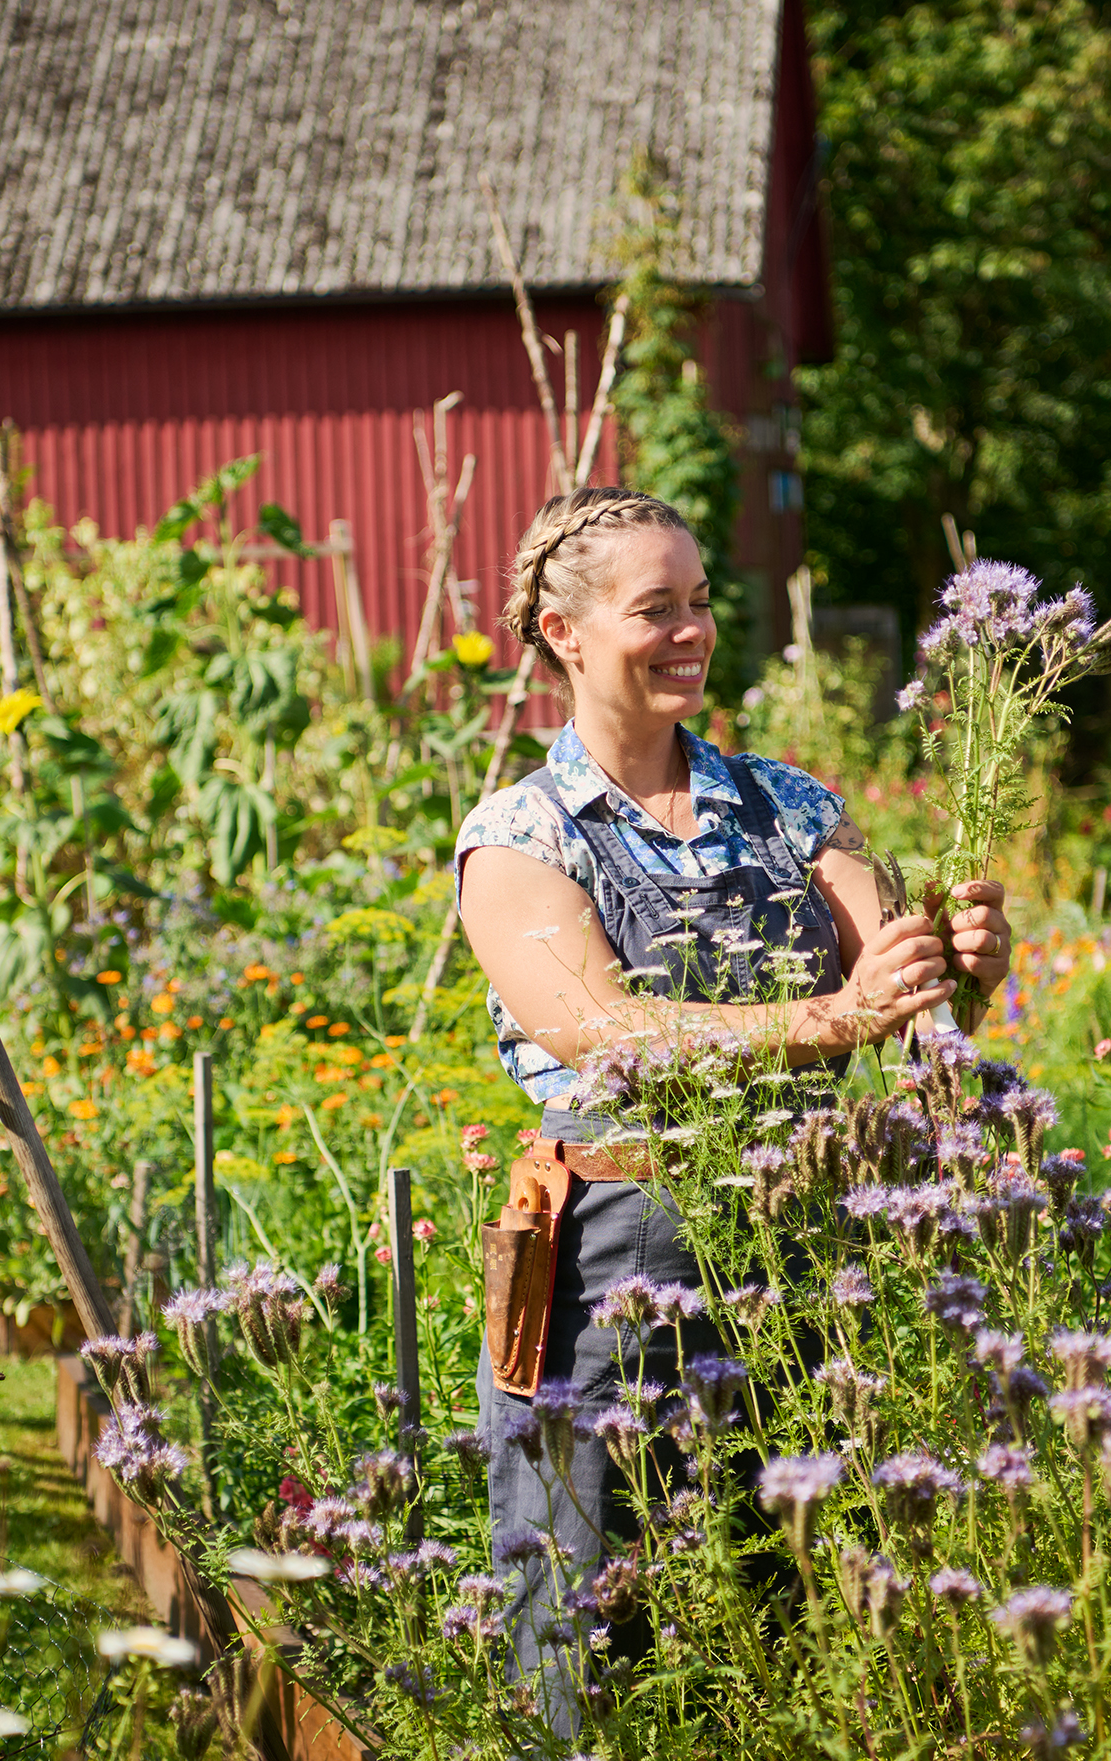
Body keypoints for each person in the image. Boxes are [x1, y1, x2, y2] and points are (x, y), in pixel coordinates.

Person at [455, 486, 1012, 1730]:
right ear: (564, 635)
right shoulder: (518, 838)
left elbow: (906, 1004)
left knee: (782, 1596)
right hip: (610, 1260)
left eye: (700, 603)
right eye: (655, 608)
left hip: (797, 1251)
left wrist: (962, 965)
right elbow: (599, 1035)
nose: (691, 631)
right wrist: (829, 1019)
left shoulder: (790, 807)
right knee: (584, 1597)